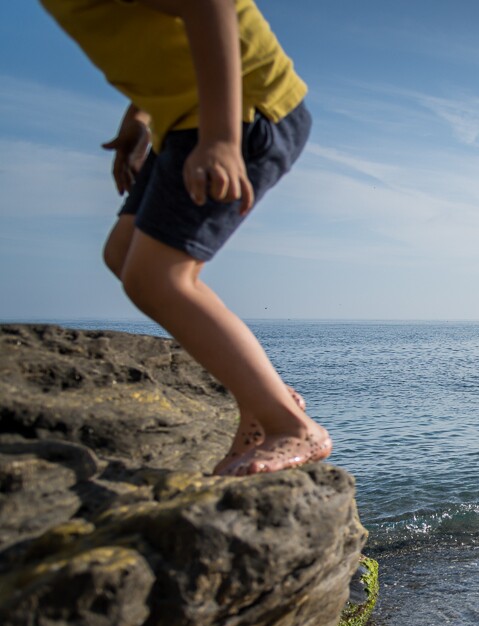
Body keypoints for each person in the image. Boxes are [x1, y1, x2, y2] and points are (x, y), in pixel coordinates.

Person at [40, 0, 331, 476]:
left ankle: (292, 425)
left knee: (157, 278)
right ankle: (263, 404)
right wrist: (138, 120)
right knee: (124, 254)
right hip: (185, 119)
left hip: (241, 108)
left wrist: (220, 137)